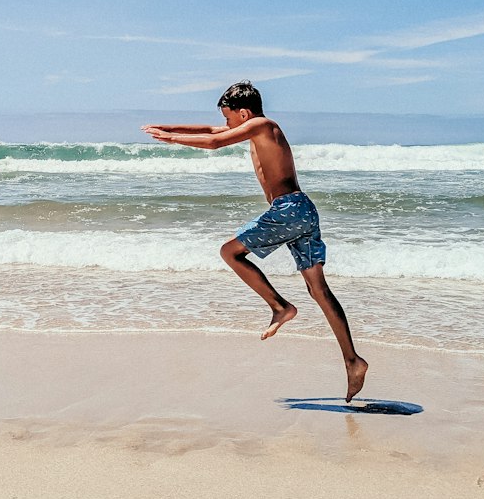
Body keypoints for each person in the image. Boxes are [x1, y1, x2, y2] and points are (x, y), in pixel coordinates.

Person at [143, 80, 368, 402]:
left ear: (244, 113)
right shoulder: (256, 128)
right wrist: (168, 125)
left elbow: (213, 142)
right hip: (303, 211)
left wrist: (170, 138)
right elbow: (209, 130)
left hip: (288, 209)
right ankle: (352, 360)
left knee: (230, 252)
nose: (224, 125)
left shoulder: (262, 125)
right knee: (318, 289)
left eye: (228, 118)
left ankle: (280, 307)